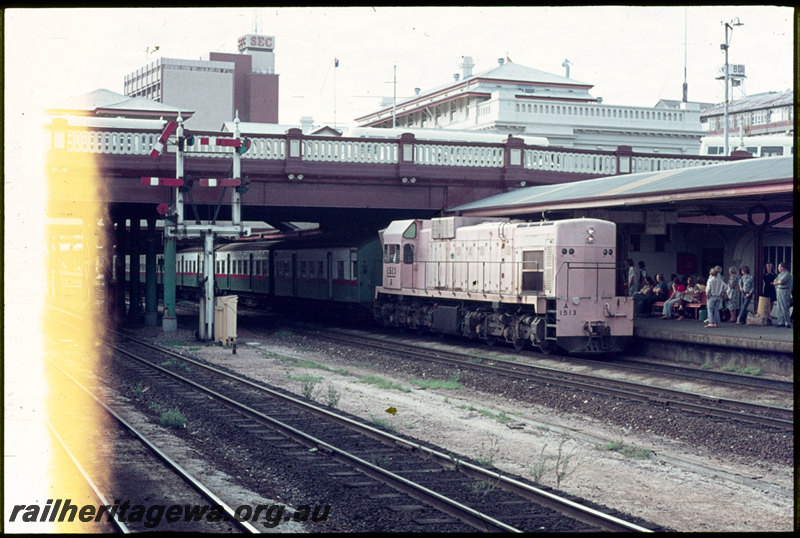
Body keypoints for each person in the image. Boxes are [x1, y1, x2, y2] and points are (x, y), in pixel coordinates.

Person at [772, 262, 792, 328]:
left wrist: (777, 282)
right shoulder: (780, 274)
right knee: (779, 306)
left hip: (785, 291)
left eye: (779, 267)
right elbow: (775, 281)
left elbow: (781, 281)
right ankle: (781, 322)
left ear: (782, 268)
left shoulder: (787, 274)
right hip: (779, 290)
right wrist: (777, 282)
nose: (778, 268)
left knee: (784, 307)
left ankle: (787, 322)